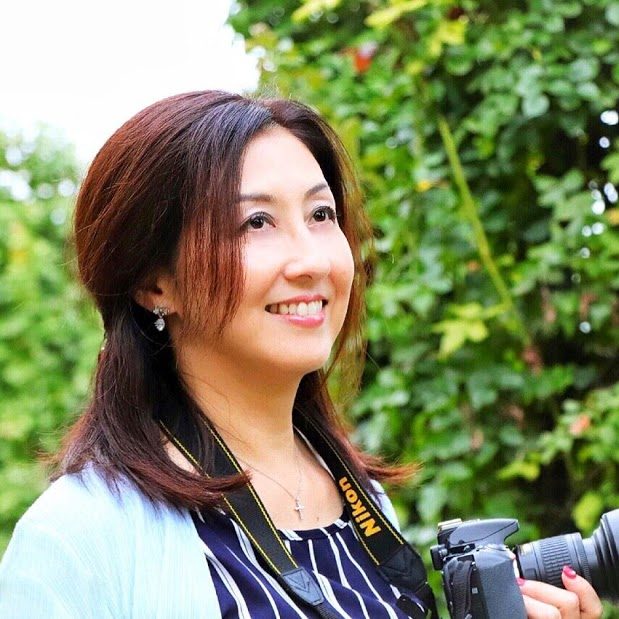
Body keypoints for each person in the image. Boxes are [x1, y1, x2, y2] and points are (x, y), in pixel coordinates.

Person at [0, 91, 603, 619]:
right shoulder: (80, 539)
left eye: (321, 214)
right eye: (257, 223)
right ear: (155, 283)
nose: (312, 260)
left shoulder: (362, 505)